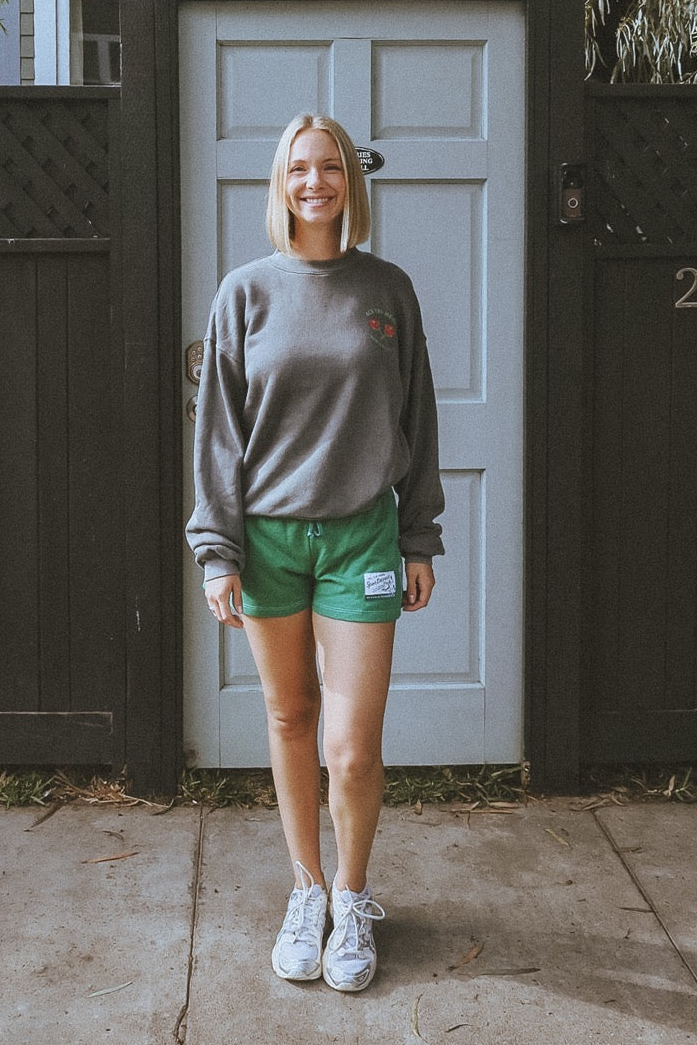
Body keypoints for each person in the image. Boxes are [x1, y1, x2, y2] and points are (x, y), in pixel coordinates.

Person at [186, 113, 444, 993]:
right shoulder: (245, 294)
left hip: (361, 537)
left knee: (353, 747)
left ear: (349, 181)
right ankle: (305, 892)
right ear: (280, 182)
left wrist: (419, 533)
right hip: (266, 541)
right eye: (299, 167)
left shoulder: (387, 290)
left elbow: (418, 420)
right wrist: (216, 550)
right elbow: (218, 436)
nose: (315, 182)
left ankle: (353, 896)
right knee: (291, 718)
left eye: (329, 166)